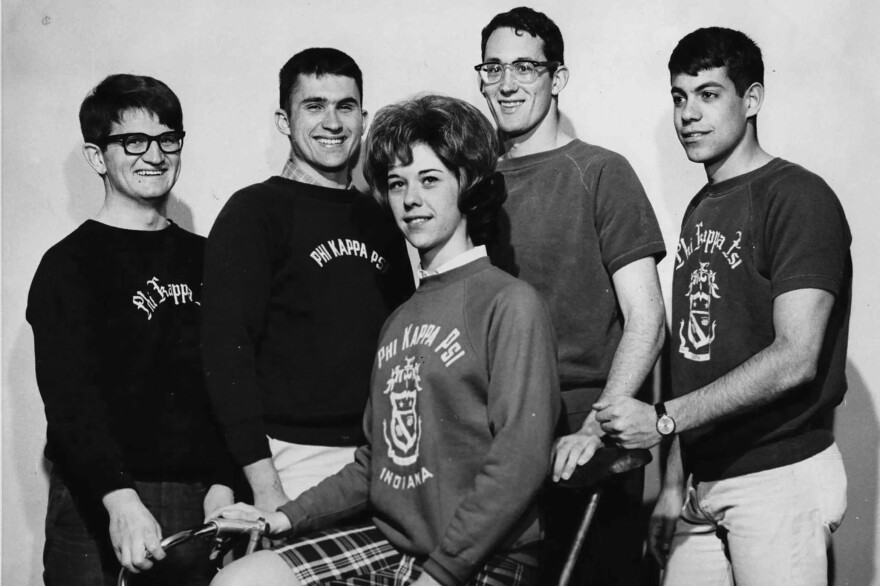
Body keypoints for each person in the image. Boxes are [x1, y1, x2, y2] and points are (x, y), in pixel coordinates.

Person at [207, 94, 561, 586]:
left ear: (468, 185)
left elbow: (520, 461)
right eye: (397, 183)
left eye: (429, 179)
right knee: (238, 581)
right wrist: (283, 517)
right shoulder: (399, 318)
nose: (410, 198)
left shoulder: (509, 303)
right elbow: (374, 464)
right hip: (394, 543)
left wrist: (441, 573)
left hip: (486, 556)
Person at [596, 27, 852, 585]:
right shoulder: (701, 208)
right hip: (703, 483)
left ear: (751, 99)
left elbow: (795, 357)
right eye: (679, 97)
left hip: (778, 476)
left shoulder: (797, 197)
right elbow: (697, 362)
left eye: (708, 94)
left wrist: (661, 420)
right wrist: (672, 486)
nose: (688, 114)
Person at [475, 6, 667, 583]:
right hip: (499, 437)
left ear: (557, 78)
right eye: (493, 68)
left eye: (525, 68)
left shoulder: (602, 172)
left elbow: (647, 319)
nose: (507, 84)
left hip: (585, 438)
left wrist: (595, 429)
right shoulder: (472, 184)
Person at [27, 74, 235, 586]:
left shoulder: (211, 258)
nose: (155, 156)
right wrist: (119, 500)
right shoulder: (67, 265)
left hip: (199, 500)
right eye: (133, 142)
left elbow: (234, 379)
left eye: (168, 139)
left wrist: (225, 482)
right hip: (99, 500)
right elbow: (71, 402)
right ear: (97, 157)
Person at [201, 48, 414, 513]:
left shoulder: (382, 215)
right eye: (314, 106)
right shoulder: (253, 212)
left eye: (345, 106)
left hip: (381, 453)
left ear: (363, 118)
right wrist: (263, 484)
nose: (332, 123)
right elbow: (226, 356)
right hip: (290, 459)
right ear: (284, 120)